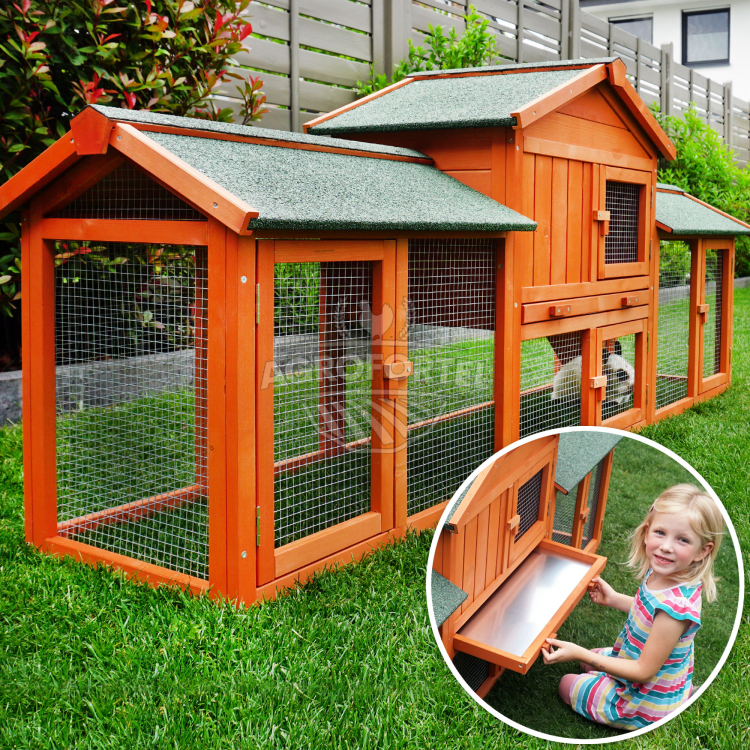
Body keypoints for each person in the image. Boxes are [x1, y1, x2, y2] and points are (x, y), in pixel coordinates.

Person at [542, 484, 724, 731]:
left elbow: (642, 671)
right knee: (589, 662)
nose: (666, 546)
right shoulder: (664, 570)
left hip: (643, 696)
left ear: (702, 551)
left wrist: (580, 653)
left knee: (567, 682)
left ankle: (654, 710)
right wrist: (614, 599)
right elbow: (648, 613)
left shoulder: (676, 609)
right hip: (635, 658)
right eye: (660, 532)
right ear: (647, 532)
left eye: (682, 539)